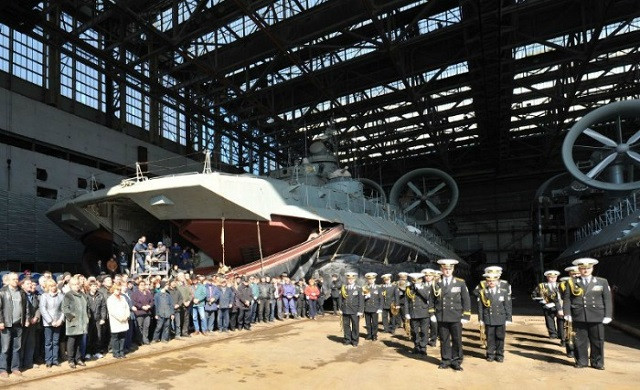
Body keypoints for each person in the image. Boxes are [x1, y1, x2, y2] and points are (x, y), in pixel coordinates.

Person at [561, 258, 612, 370]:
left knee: (598, 340)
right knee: (580, 341)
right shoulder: (572, 282)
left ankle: (597, 362)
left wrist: (608, 315)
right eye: (583, 268)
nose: (585, 270)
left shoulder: (602, 281)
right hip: (579, 315)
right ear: (579, 269)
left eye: (588, 268)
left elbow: (607, 299)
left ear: (592, 268)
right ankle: (581, 361)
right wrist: (567, 313)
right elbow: (567, 299)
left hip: (596, 315)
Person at [432, 258, 470, 371]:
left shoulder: (460, 282)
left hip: (455, 316)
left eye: (449, 269)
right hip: (442, 316)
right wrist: (432, 314)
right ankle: (445, 360)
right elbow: (431, 299)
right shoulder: (436, 283)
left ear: (453, 269)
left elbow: (466, 300)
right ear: (441, 270)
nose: (447, 271)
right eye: (445, 269)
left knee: (457, 339)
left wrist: (466, 315)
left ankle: (456, 361)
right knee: (444, 339)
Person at [478, 273, 512, 362]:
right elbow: (480, 307)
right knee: (490, 337)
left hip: (500, 318)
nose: (491, 282)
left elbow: (507, 306)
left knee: (500, 337)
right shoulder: (483, 292)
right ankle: (490, 354)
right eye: (489, 281)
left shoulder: (503, 291)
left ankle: (500, 354)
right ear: (486, 282)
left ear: (497, 281)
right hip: (488, 318)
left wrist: (509, 318)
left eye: (493, 281)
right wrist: (481, 319)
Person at [0, 272, 27, 377]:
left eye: (17, 279)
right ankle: (3, 369)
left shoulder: (21, 292)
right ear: (8, 280)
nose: (16, 281)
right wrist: (0, 321)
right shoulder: (2, 292)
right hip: (6, 324)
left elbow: (26, 307)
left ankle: (15, 368)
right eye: (13, 279)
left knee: (17, 348)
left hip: (18, 324)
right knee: (5, 348)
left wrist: (25, 319)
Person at [61, 276, 89, 369]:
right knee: (71, 342)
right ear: (71, 285)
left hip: (82, 323)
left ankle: (78, 358)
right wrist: (72, 318)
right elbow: (65, 308)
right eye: (74, 284)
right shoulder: (68, 295)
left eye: (78, 284)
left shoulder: (83, 295)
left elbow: (87, 307)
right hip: (73, 323)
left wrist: (88, 317)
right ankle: (71, 360)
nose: (77, 286)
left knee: (79, 342)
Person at [557, 265, 580, 357]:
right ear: (569, 274)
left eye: (577, 273)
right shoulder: (563, 284)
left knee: (581, 332)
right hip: (568, 310)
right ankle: (570, 350)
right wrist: (560, 309)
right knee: (569, 331)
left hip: (580, 311)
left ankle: (581, 350)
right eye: (573, 274)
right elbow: (558, 298)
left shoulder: (584, 283)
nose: (576, 275)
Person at [39, 279, 64, 368]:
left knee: (56, 342)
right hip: (48, 323)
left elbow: (63, 309)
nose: (53, 288)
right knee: (48, 342)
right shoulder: (44, 296)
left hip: (58, 322)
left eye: (54, 286)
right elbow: (43, 309)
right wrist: (50, 321)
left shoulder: (61, 296)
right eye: (51, 286)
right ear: (48, 287)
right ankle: (48, 360)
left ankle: (55, 359)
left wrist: (60, 320)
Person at [532, 270, 562, 341]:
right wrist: (542, 301)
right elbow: (534, 295)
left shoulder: (561, 285)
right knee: (549, 320)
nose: (552, 278)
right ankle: (553, 334)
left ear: (557, 277)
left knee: (561, 321)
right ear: (547, 277)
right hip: (547, 306)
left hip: (559, 306)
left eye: (554, 277)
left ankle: (561, 335)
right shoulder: (541, 286)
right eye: (550, 277)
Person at [338, 272, 363, 347]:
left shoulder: (358, 288)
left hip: (354, 310)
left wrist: (360, 310)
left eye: (352, 279)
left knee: (355, 325)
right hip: (345, 310)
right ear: (347, 279)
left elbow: (361, 300)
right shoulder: (344, 288)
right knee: (346, 325)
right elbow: (340, 299)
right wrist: (340, 308)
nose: (350, 280)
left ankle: (355, 341)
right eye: (349, 279)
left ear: (354, 279)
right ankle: (347, 339)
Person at [20, 278, 40, 371]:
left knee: (31, 344)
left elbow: (38, 308)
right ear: (22, 285)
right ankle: (19, 364)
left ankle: (28, 363)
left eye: (31, 284)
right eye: (28, 284)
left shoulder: (34, 295)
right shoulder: (20, 294)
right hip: (23, 323)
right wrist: (27, 319)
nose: (30, 285)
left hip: (33, 323)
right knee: (21, 344)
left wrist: (36, 317)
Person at [106, 282, 130, 359]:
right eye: (117, 289)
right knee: (115, 337)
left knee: (122, 337)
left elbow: (127, 307)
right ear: (113, 290)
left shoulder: (123, 298)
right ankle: (116, 352)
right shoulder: (110, 299)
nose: (118, 291)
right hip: (116, 321)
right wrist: (120, 318)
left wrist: (127, 315)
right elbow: (112, 311)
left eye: (119, 289)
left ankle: (121, 351)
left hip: (124, 320)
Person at [86, 282, 107, 359]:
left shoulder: (100, 295)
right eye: (93, 286)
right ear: (90, 287)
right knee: (89, 336)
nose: (95, 287)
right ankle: (88, 352)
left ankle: (97, 351)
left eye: (96, 286)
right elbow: (86, 308)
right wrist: (87, 317)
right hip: (89, 319)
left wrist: (103, 318)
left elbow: (103, 307)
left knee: (98, 336)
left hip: (98, 319)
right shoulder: (86, 296)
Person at [131, 280, 154, 344]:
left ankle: (145, 339)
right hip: (139, 312)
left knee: (146, 326)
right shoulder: (135, 293)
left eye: (144, 285)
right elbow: (134, 302)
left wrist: (149, 306)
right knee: (139, 326)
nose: (143, 286)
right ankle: (139, 340)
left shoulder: (148, 293)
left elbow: (152, 301)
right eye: (141, 285)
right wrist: (142, 306)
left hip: (147, 312)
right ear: (138, 286)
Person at [362, 272, 382, 341]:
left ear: (374, 279)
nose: (370, 280)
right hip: (367, 307)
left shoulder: (378, 287)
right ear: (367, 280)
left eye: (372, 279)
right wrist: (365, 297)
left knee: (374, 323)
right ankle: (369, 334)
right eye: (369, 279)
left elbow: (381, 299)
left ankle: (374, 335)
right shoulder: (365, 287)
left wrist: (380, 308)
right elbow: (361, 299)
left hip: (375, 308)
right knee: (367, 323)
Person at [422, 268, 439, 346]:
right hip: (423, 308)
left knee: (434, 325)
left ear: (433, 276)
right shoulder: (421, 285)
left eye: (430, 275)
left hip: (434, 309)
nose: (428, 277)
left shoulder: (436, 286)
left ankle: (433, 340)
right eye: (426, 275)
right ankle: (424, 340)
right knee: (424, 326)